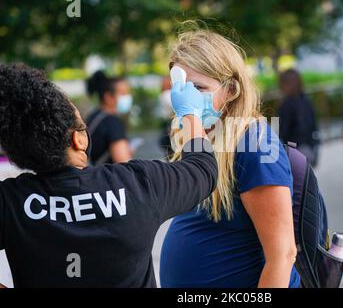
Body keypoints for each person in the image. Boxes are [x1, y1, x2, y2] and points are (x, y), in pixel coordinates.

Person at [0, 63, 217, 287]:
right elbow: (203, 168)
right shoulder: (137, 183)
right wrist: (190, 114)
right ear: (79, 139)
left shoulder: (11, 202)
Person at [160, 29, 299, 288]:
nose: (186, 100)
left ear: (231, 89)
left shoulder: (256, 143)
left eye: (198, 88)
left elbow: (283, 255)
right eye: (181, 89)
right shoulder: (198, 139)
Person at [85, 71, 134, 165]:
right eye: (123, 93)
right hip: (108, 178)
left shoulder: (94, 116)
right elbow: (123, 163)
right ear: (108, 97)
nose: (128, 97)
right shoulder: (112, 123)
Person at [278, 68, 320, 167]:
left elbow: (284, 131)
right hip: (308, 149)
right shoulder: (306, 101)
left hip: (294, 151)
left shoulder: (286, 105)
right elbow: (313, 126)